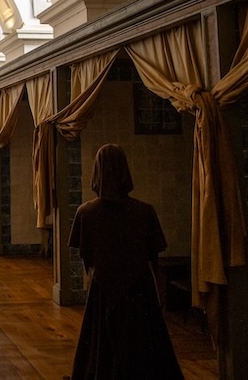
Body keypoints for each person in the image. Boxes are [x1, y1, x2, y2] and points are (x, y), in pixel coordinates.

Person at [68, 143, 184, 380]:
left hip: (102, 290)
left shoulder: (85, 213)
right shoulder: (145, 211)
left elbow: (86, 256)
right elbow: (154, 253)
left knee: (101, 346)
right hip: (139, 291)